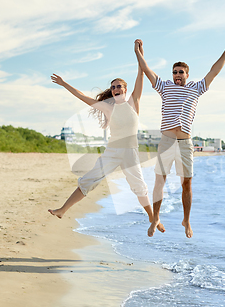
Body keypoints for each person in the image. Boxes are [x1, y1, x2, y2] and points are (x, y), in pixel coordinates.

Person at [48, 42, 164, 237]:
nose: (116, 89)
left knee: (139, 187)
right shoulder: (108, 107)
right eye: (113, 87)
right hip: (112, 151)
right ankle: (62, 211)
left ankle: (153, 219)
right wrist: (64, 83)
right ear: (111, 91)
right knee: (88, 181)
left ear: (125, 90)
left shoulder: (134, 101)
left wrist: (138, 52)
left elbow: (141, 72)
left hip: (130, 153)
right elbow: (82, 96)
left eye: (119, 86)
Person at [134, 38, 225, 238]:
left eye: (181, 72)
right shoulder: (164, 87)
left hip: (185, 143)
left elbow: (214, 71)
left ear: (187, 75)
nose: (177, 75)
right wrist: (139, 51)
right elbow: (146, 69)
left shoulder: (196, 88)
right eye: (175, 72)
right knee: (160, 181)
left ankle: (186, 220)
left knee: (186, 183)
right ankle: (155, 218)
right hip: (167, 140)